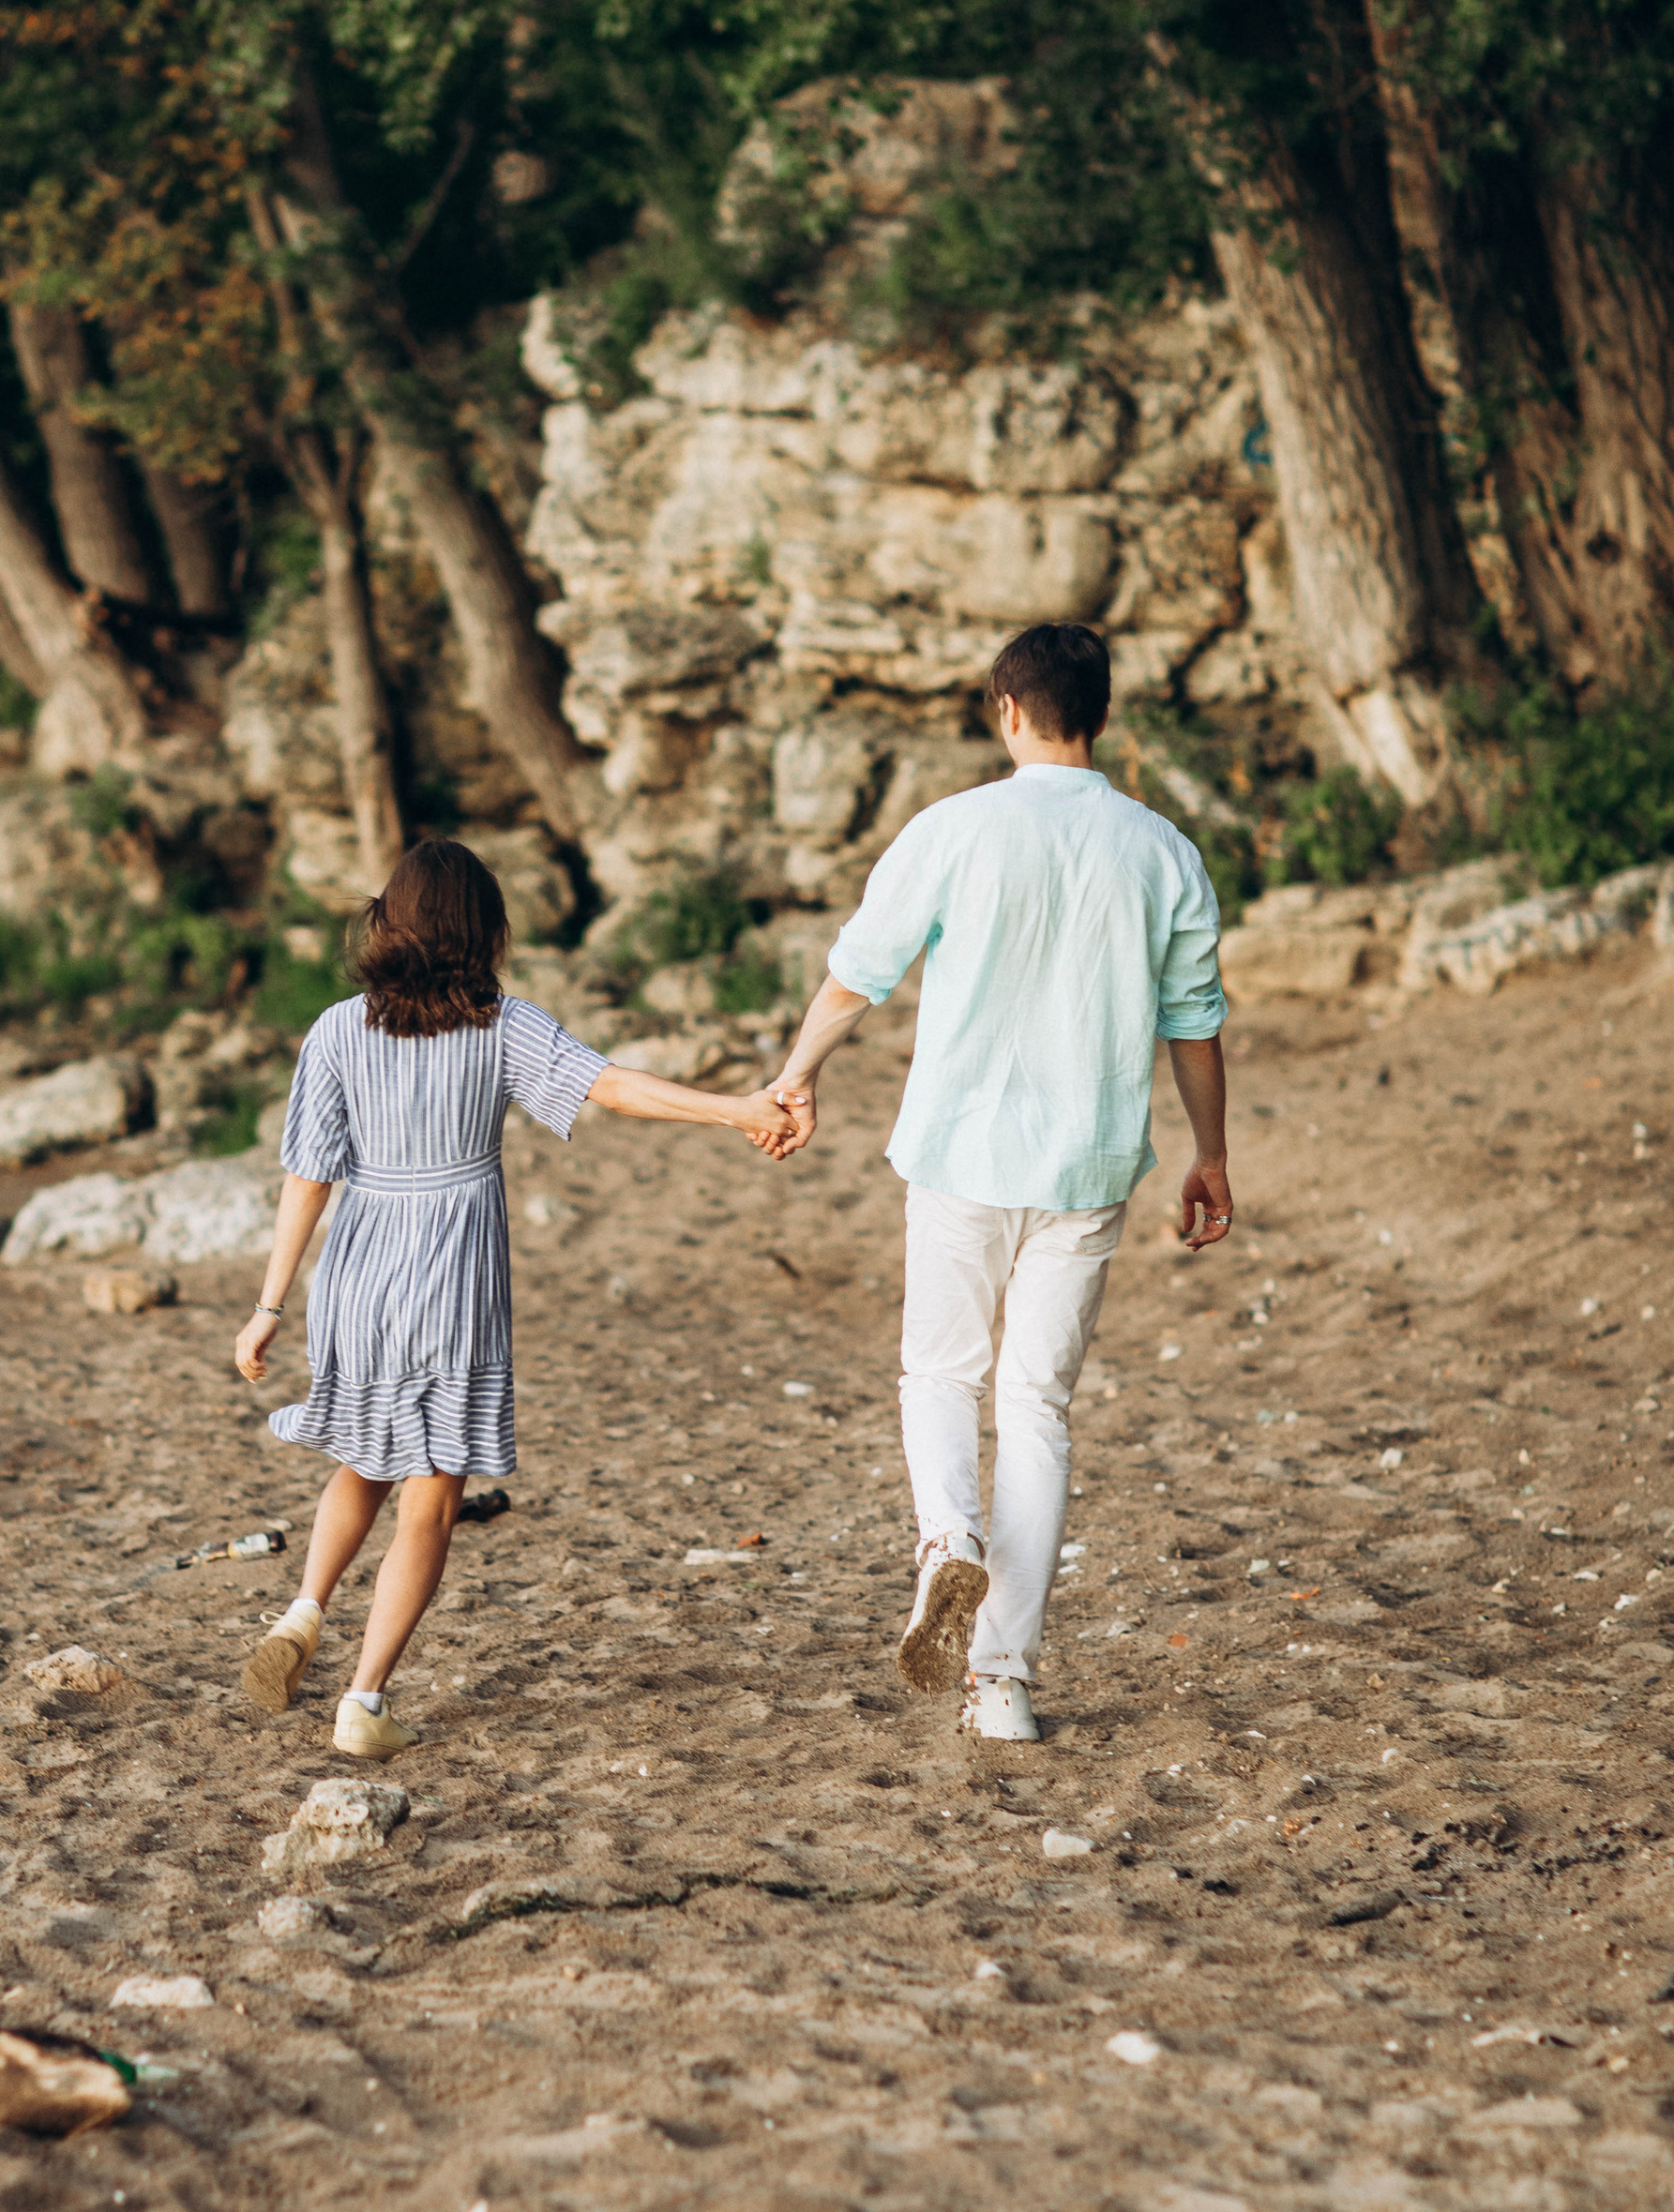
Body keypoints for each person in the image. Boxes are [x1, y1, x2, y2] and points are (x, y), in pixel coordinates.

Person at [767, 621, 1231, 1745]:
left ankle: (947, 1545)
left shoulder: (954, 830)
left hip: (962, 1150)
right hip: (1087, 1163)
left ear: (1004, 710)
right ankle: (1003, 1685)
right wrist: (1211, 1153)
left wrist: (792, 1076)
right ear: (1102, 716)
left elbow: (855, 977)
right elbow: (1194, 1023)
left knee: (938, 1370)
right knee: (1035, 1406)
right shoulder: (1160, 848)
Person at [235, 836, 796, 1760]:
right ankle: (363, 1699)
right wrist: (734, 1107)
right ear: (482, 929)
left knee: (366, 1459)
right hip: (452, 1276)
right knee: (430, 1495)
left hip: (359, 1271)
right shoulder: (500, 1024)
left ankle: (303, 1609)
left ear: (391, 921)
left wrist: (267, 1306)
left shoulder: (337, 1029)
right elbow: (610, 1089)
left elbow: (306, 1176)